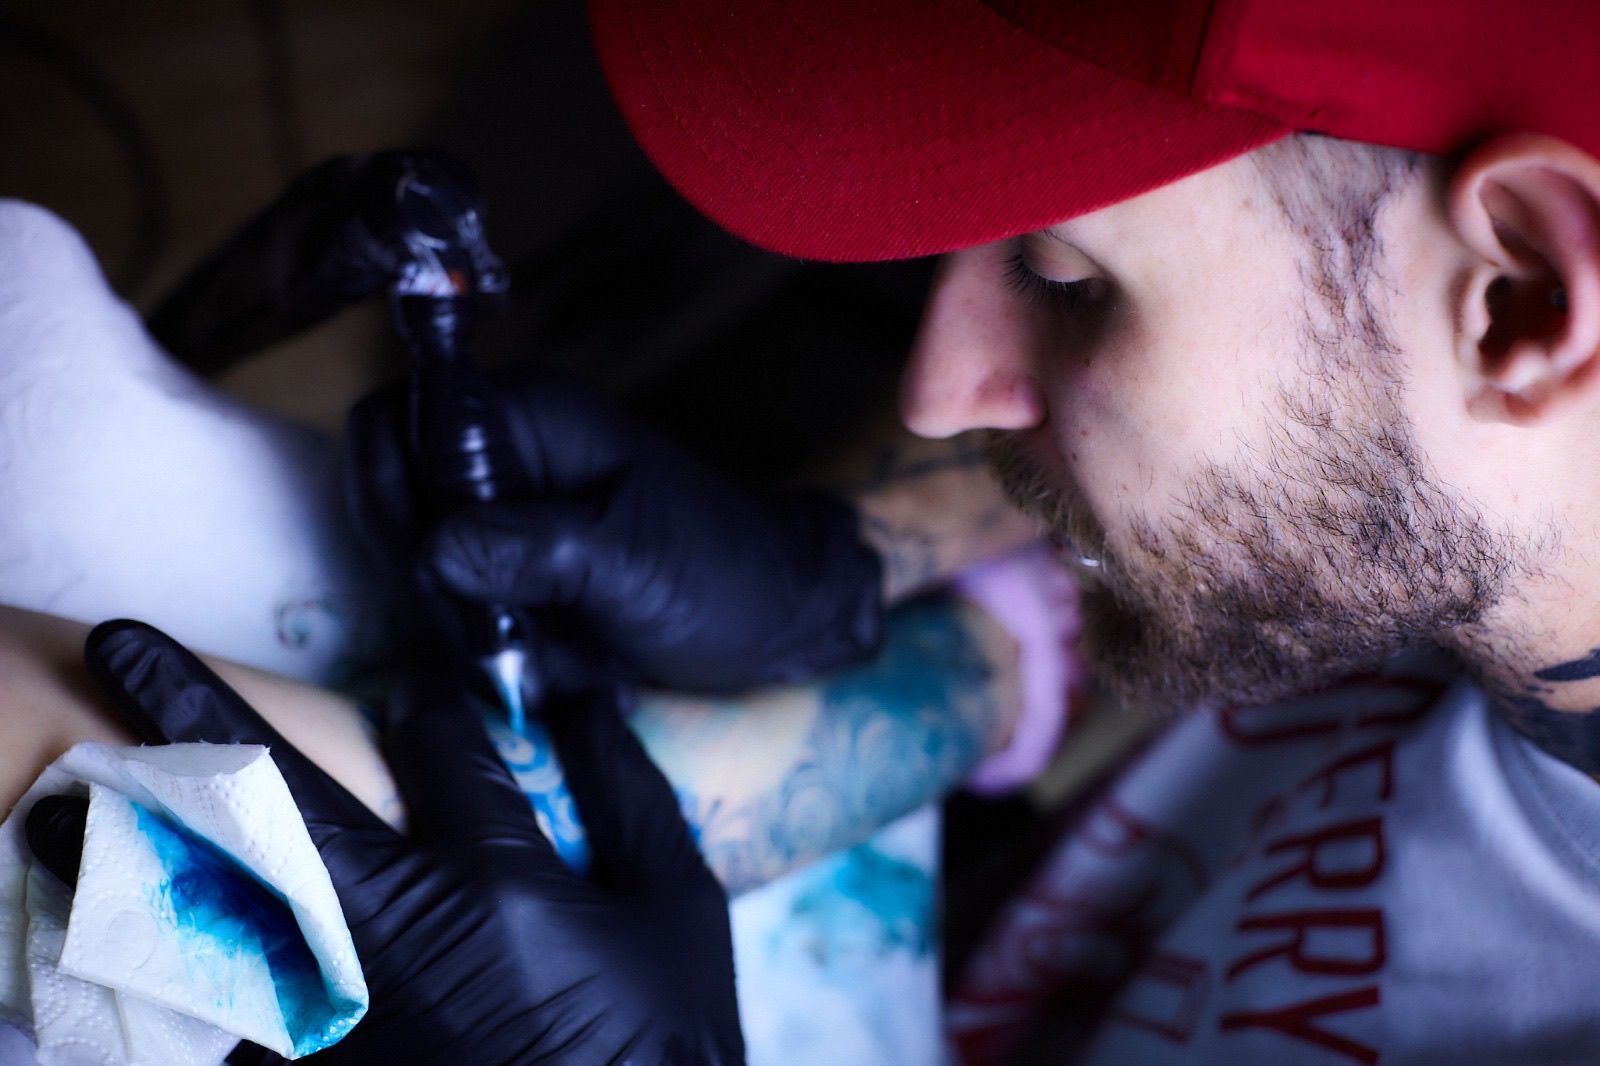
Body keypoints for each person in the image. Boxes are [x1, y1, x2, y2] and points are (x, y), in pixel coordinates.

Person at [323, 0, 1600, 1061]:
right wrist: (860, 554)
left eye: (1063, 283)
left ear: (1523, 299)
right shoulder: (1469, 504)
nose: (937, 396)